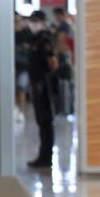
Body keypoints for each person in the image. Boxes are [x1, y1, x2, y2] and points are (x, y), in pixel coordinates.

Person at [26, 11, 58, 169]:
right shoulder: (35, 39)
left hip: (44, 84)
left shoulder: (45, 38)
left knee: (46, 121)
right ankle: (43, 155)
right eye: (32, 21)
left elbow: (52, 63)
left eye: (36, 21)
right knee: (41, 120)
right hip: (36, 83)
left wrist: (46, 78)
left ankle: (47, 157)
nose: (33, 24)